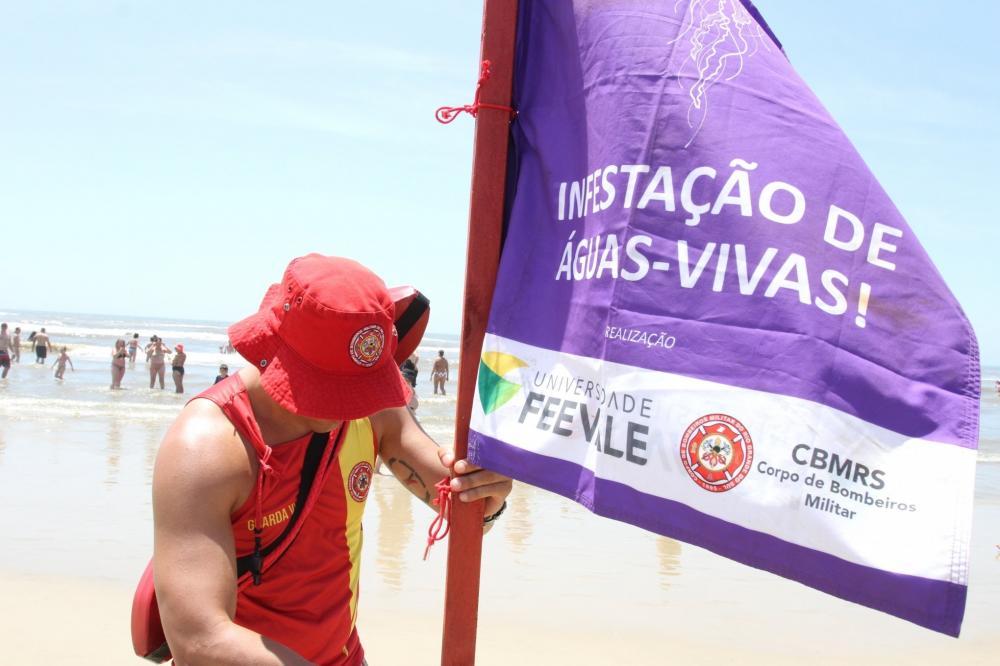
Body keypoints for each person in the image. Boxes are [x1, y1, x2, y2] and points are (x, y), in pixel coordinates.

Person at [152, 254, 511, 665]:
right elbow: (199, 639)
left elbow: (456, 498)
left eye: (357, 388)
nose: (348, 406)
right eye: (330, 388)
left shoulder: (368, 407)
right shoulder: (207, 445)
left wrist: (486, 494)